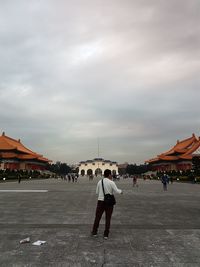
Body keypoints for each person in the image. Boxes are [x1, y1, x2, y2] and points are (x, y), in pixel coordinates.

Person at [91, 169, 123, 239]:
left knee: (97, 217)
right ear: (109, 175)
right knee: (108, 218)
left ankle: (94, 232)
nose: (111, 175)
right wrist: (121, 191)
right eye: (111, 174)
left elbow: (97, 192)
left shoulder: (100, 182)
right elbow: (117, 191)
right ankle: (106, 234)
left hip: (100, 201)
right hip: (109, 202)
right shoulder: (111, 182)